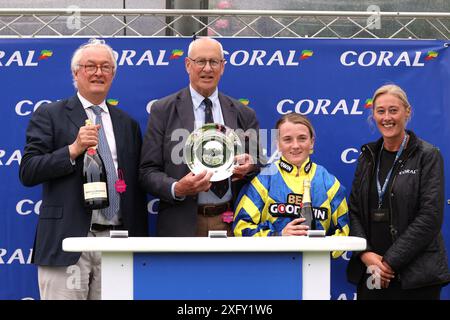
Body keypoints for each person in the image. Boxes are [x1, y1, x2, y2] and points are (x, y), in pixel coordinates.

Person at [19, 39, 148, 300]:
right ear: (76, 73)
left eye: (105, 67)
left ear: (113, 74)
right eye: (90, 66)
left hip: (117, 244)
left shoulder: (128, 124)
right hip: (67, 242)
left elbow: (136, 184)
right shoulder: (50, 115)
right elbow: (29, 171)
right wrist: (73, 149)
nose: (98, 72)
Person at [139, 37, 261, 237]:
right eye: (200, 62)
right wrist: (177, 188)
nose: (207, 68)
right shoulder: (163, 110)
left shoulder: (244, 113)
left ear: (222, 67)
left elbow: (258, 164)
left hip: (232, 226)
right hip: (181, 226)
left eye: (214, 62)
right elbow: (147, 172)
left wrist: (249, 167)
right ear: (188, 65)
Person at [346, 84, 450, 299]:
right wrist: (365, 254)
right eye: (380, 111)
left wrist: (388, 262)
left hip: (415, 276)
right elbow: (354, 210)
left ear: (407, 111)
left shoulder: (427, 155)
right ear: (373, 114)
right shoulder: (368, 156)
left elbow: (430, 217)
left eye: (393, 110)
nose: (387, 117)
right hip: (372, 271)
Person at [233, 113, 349, 258]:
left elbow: (344, 233)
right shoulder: (262, 180)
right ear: (278, 144)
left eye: (302, 138)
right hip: (271, 267)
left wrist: (317, 250)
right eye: (287, 139)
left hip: (315, 268)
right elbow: (241, 228)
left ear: (312, 142)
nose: (295, 145)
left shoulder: (330, 183)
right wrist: (279, 236)